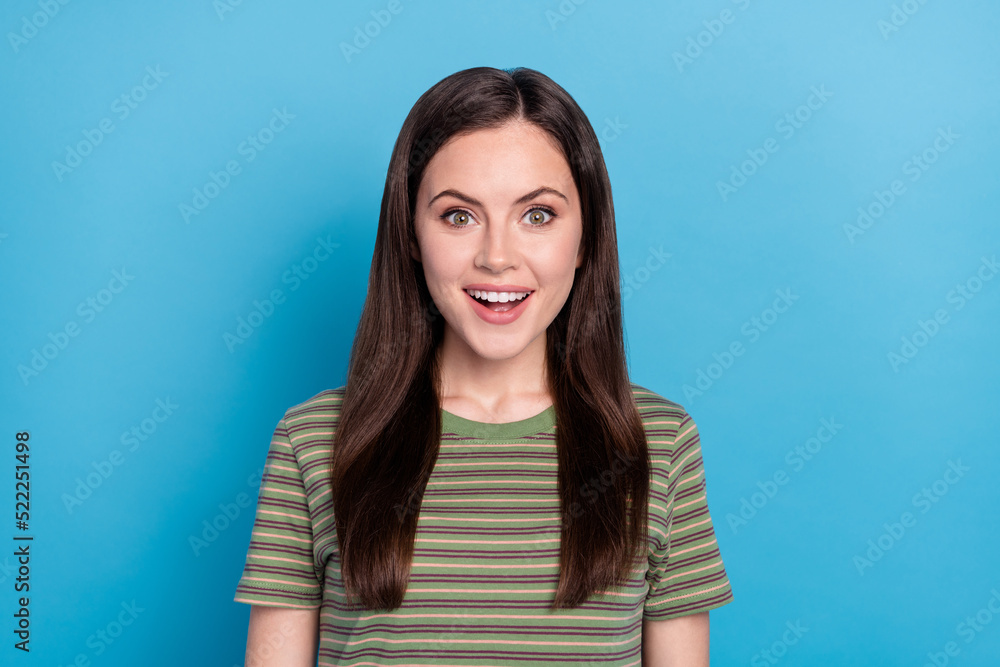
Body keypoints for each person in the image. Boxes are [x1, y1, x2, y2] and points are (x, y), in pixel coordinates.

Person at [235, 66, 733, 666]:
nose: (497, 257)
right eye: (458, 215)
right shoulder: (313, 441)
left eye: (538, 215)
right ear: (411, 236)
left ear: (586, 240)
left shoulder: (660, 443)